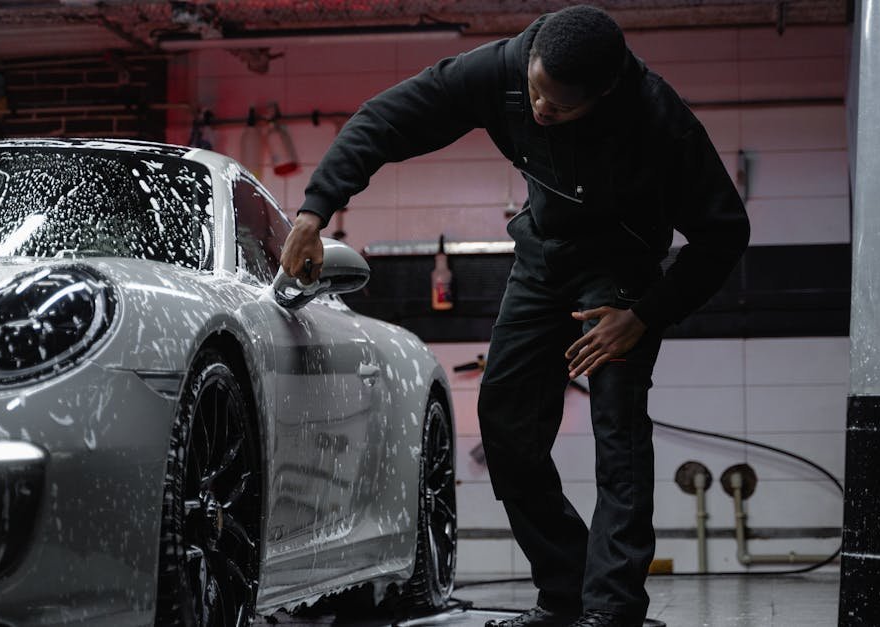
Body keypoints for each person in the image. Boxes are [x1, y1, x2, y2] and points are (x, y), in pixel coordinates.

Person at [280, 6, 749, 626]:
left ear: (605, 92)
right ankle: (566, 592)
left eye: (558, 106)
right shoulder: (501, 68)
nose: (539, 111)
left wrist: (644, 315)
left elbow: (724, 233)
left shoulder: (658, 120)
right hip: (541, 262)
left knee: (618, 436)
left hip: (620, 279)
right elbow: (386, 119)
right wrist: (316, 212)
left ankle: (613, 610)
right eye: (533, 92)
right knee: (506, 434)